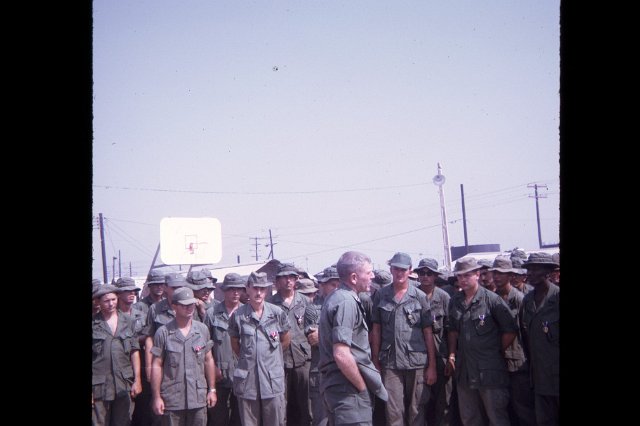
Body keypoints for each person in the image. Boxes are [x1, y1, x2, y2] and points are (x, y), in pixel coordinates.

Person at [445, 257, 517, 426]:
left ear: (477, 274)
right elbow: (453, 330)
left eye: (467, 275)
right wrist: (452, 355)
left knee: (497, 417)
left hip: (489, 371)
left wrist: (494, 350)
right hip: (465, 370)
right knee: (469, 418)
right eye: (460, 276)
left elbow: (510, 330)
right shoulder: (455, 301)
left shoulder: (492, 300)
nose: (463, 279)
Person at [318, 251, 388, 426]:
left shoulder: (338, 297)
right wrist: (362, 388)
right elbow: (341, 354)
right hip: (347, 390)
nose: (372, 276)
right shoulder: (346, 302)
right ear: (354, 277)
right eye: (368, 272)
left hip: (339, 387)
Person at [370, 252, 437, 426]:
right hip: (390, 363)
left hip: (417, 362)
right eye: (395, 269)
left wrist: (432, 366)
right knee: (393, 413)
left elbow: (428, 332)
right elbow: (376, 330)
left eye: (403, 269)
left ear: (410, 271)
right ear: (390, 270)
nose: (399, 273)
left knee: (417, 411)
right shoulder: (381, 295)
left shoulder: (420, 297)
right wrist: (375, 360)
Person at [229, 271, 291, 426]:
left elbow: (286, 340)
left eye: (262, 289)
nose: (258, 292)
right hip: (248, 381)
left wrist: (269, 357)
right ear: (247, 289)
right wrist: (250, 357)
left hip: (272, 380)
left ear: (267, 290)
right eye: (255, 288)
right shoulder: (238, 316)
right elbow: (235, 345)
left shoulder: (277, 313)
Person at [150, 287, 217, 426]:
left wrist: (212, 389)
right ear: (174, 306)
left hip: (198, 397)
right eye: (184, 305)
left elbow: (208, 360)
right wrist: (156, 397)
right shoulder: (163, 333)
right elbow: (157, 365)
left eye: (191, 304)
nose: (189, 308)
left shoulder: (202, 330)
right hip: (172, 399)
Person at [490, 257, 535, 426]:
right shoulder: (492, 298)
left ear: (510, 275)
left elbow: (527, 332)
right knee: (502, 407)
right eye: (495, 273)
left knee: (523, 409)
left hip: (517, 363)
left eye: (501, 273)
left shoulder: (520, 299)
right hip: (497, 362)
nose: (497, 277)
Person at [414, 257, 460, 426]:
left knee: (444, 403)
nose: (425, 276)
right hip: (418, 358)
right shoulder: (412, 296)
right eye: (421, 273)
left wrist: (451, 356)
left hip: (441, 357)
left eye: (429, 273)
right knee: (420, 403)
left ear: (435, 276)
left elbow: (451, 330)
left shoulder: (444, 298)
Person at [267, 262, 313, 426]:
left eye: (291, 277)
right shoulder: (270, 304)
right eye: (284, 277)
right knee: (281, 406)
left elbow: (312, 326)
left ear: (296, 280)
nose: (288, 281)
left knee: (307, 405)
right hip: (280, 361)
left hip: (303, 359)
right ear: (277, 281)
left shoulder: (306, 301)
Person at [93, 284, 143, 426]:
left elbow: (134, 352)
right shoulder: (93, 324)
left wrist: (137, 380)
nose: (111, 304)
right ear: (98, 302)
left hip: (124, 383)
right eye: (106, 301)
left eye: (113, 300)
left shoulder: (128, 322)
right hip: (99, 386)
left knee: (124, 421)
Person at [519, 253, 559, 426]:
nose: (531, 273)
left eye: (536, 269)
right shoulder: (527, 300)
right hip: (539, 377)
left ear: (548, 272)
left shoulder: (557, 298)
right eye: (529, 269)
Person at [203, 273, 245, 426]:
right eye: (231, 289)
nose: (235, 293)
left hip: (243, 375)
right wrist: (212, 367)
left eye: (238, 289)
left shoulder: (247, 313)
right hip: (219, 375)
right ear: (224, 291)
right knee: (218, 419)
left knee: (241, 419)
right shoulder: (212, 314)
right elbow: (205, 345)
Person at [304, 266, 340, 426]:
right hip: (321, 370)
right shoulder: (312, 308)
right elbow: (313, 339)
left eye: (339, 284)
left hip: (344, 369)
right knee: (321, 418)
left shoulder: (348, 304)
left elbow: (356, 338)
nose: (336, 288)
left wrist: (324, 334)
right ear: (322, 285)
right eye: (332, 284)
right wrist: (340, 337)